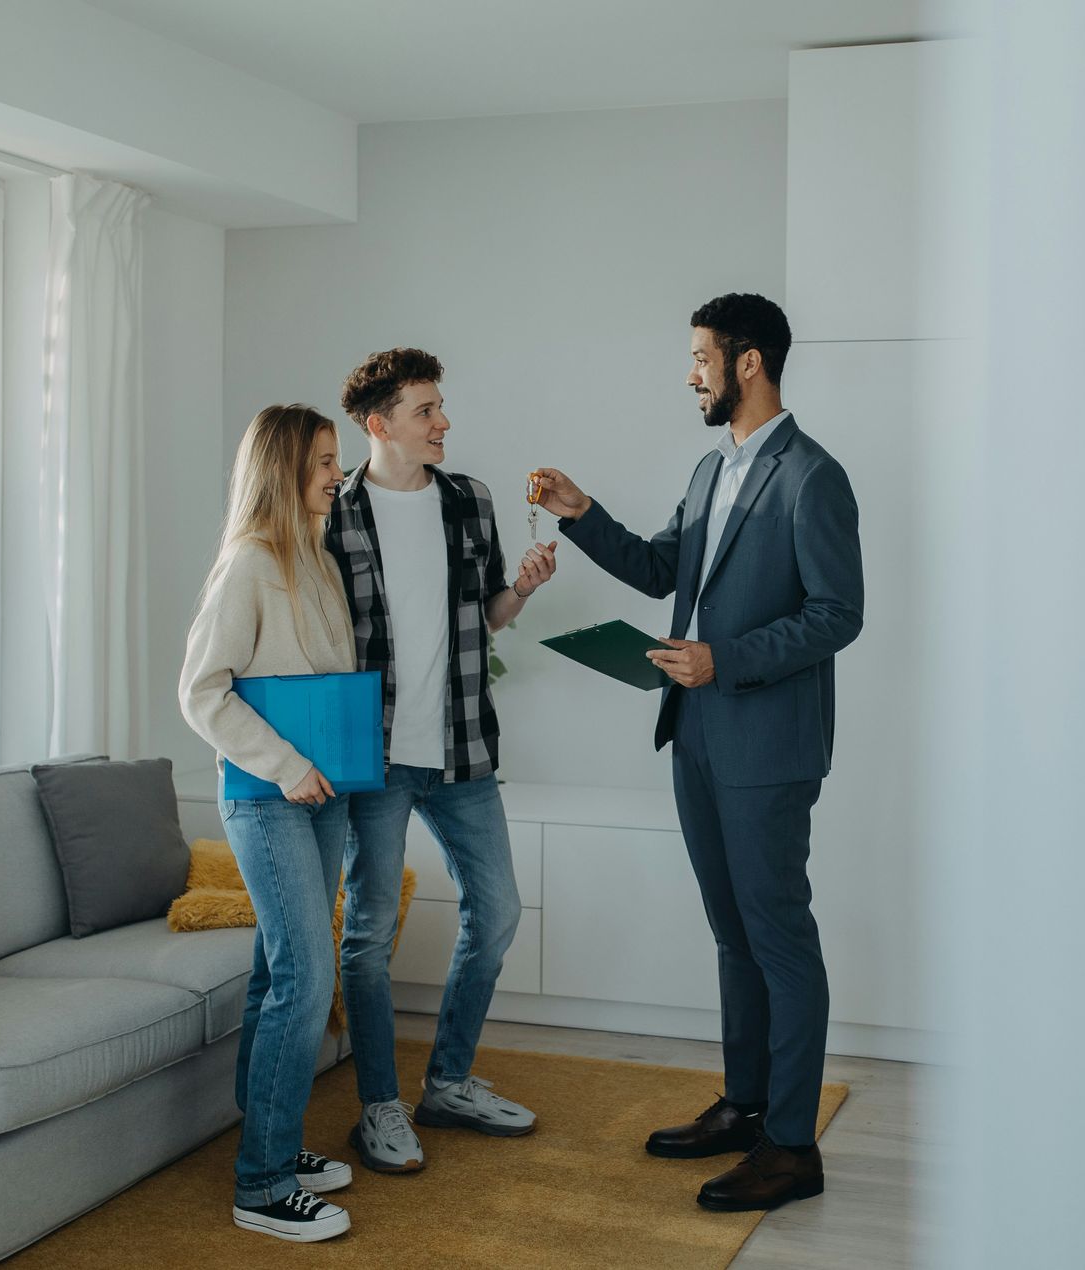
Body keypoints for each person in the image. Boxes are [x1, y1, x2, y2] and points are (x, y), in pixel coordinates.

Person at [530, 293, 864, 1212]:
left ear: (747, 362)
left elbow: (840, 614)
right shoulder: (712, 469)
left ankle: (793, 1147)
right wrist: (579, 510)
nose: (691, 374)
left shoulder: (813, 476)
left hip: (767, 743)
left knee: (778, 937)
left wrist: (727, 659)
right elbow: (660, 568)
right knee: (732, 935)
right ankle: (746, 1107)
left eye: (700, 358)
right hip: (697, 735)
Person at [326, 348, 558, 1174]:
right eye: (426, 410)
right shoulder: (335, 512)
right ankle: (380, 1107)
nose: (444, 423)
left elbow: (488, 617)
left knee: (495, 913)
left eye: (441, 407)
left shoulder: (470, 500)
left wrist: (522, 587)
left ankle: (448, 1082)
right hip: (375, 759)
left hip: (461, 748)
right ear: (379, 422)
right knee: (366, 932)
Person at [179, 404, 359, 1242]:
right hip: (264, 796)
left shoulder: (315, 558)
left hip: (319, 796)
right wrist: (288, 767)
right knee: (304, 979)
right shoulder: (249, 564)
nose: (337, 472)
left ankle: (269, 1141)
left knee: (274, 972)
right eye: (324, 461)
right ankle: (263, 1184)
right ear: (285, 468)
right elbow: (201, 692)